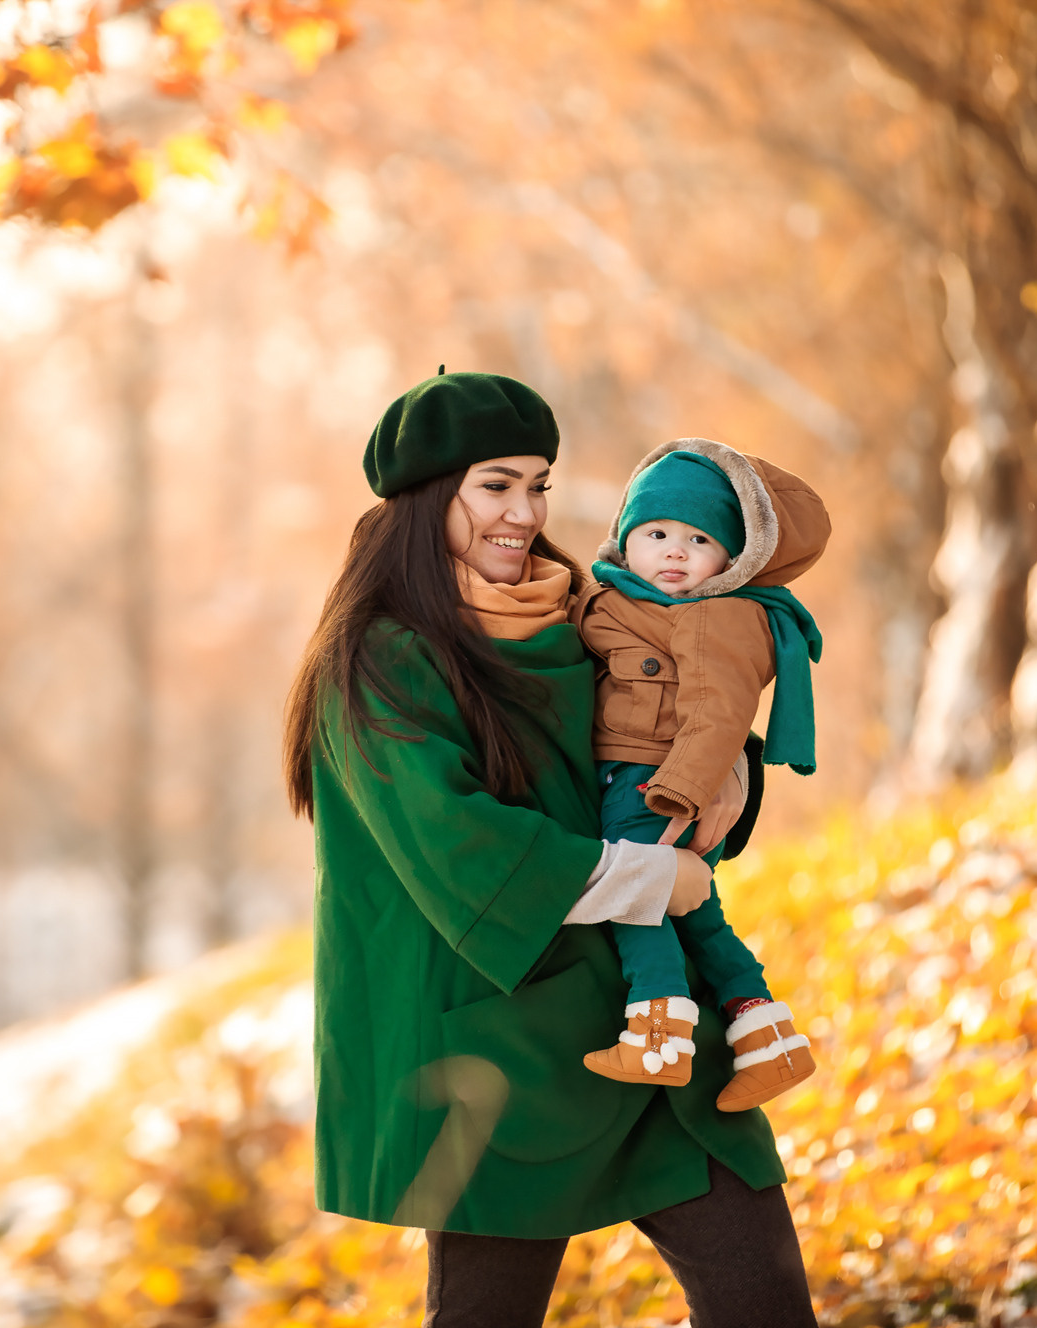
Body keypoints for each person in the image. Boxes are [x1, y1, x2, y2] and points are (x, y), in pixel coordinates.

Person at [282, 371, 817, 1328]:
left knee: (763, 1295)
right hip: (494, 1039)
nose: (524, 513)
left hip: (641, 1014)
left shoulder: (588, 614)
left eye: (539, 484)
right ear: (426, 497)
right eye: (497, 484)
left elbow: (651, 745)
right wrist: (658, 876)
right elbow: (463, 846)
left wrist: (730, 786)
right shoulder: (382, 658)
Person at [573, 441, 829, 1114]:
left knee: (636, 900)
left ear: (732, 559)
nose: (675, 553)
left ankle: (657, 1036)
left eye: (698, 539)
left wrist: (680, 792)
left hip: (656, 785)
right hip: (642, 779)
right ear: (627, 540)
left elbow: (719, 711)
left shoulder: (719, 614)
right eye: (656, 534)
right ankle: (769, 1038)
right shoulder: (623, 596)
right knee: (700, 917)